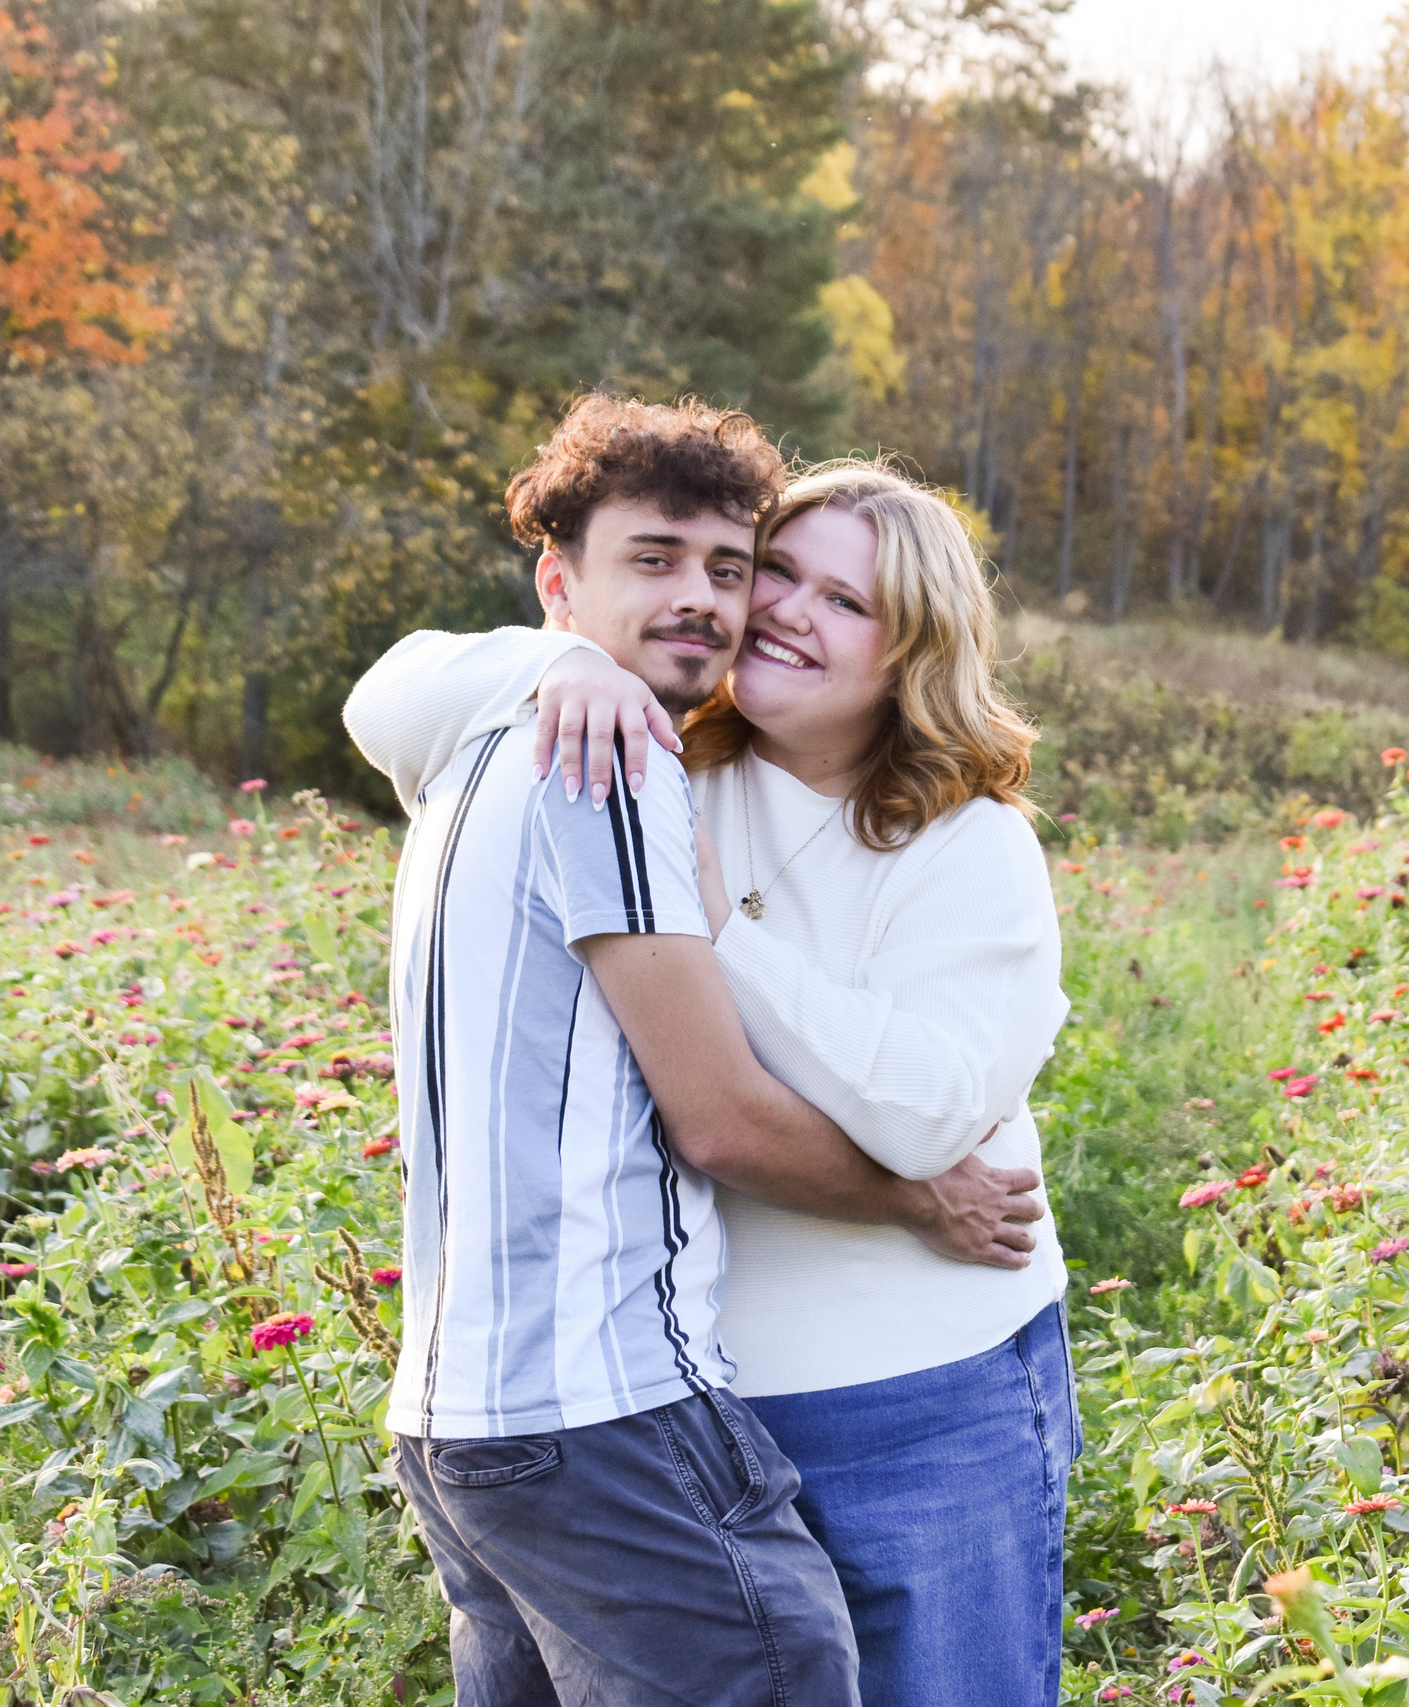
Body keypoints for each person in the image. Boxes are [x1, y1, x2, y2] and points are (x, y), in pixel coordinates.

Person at [348, 398, 1046, 1707]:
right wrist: (554, 662)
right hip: (631, 1403)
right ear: (565, 586)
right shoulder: (618, 749)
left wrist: (726, 927)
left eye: (835, 599)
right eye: (774, 569)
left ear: (913, 652)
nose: (762, 606)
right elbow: (718, 1120)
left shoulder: (969, 847)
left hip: (895, 1398)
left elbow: (935, 1109)